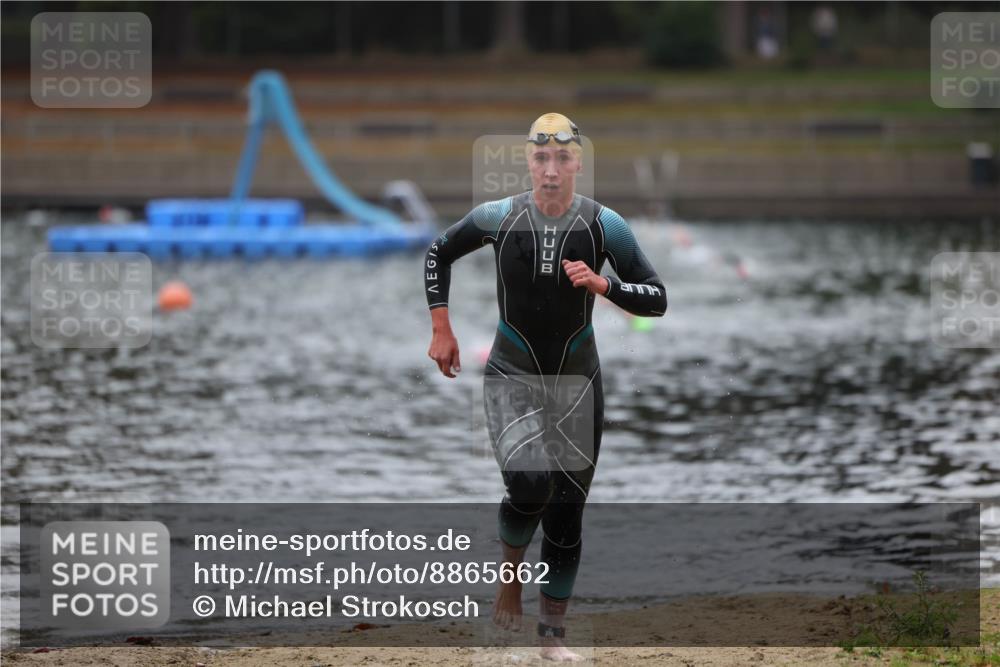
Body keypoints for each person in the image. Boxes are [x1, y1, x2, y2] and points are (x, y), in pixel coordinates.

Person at [424, 113, 666, 662]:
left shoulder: (606, 226)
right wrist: (442, 327)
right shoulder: (499, 216)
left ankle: (551, 639)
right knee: (531, 483)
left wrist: (604, 284)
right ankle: (510, 576)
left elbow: (657, 297)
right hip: (512, 371)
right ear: (528, 163)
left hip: (579, 380)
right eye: (540, 159)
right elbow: (439, 251)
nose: (551, 170)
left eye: (562, 159)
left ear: (578, 163)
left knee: (566, 512)